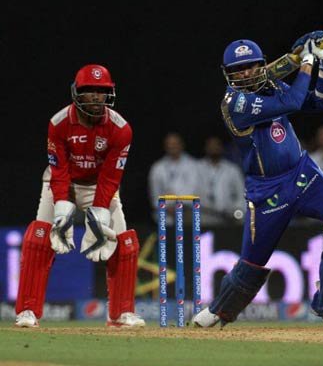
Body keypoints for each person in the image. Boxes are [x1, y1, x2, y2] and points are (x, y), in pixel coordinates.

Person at [193, 31, 323, 328]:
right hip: (267, 190)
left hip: (303, 173)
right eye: (238, 69)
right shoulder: (235, 103)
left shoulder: (272, 85)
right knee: (252, 263)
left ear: (261, 65)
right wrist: (306, 59)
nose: (246, 73)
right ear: (227, 74)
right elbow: (294, 102)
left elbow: (321, 103)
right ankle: (218, 310)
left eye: (251, 66)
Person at [15, 64, 145, 328]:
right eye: (90, 90)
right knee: (39, 237)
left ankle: (120, 313)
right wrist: (62, 209)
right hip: (61, 181)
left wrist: (99, 215)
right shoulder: (58, 123)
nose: (97, 96)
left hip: (99, 185)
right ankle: (27, 310)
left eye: (102, 90)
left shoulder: (121, 129)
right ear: (77, 92)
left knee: (124, 242)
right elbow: (59, 170)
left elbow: (110, 177)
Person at [148, 132, 201, 225]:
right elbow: (154, 194)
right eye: (169, 144)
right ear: (165, 146)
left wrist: (178, 205)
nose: (172, 146)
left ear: (182, 145)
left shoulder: (193, 165)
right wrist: (166, 207)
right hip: (164, 215)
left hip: (187, 213)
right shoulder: (157, 167)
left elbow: (195, 189)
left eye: (175, 143)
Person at [197, 136, 245, 225]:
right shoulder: (197, 167)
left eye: (216, 145)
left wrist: (237, 211)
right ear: (206, 148)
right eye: (211, 146)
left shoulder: (232, 169)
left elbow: (241, 194)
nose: (214, 148)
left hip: (227, 218)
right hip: (204, 218)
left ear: (222, 148)